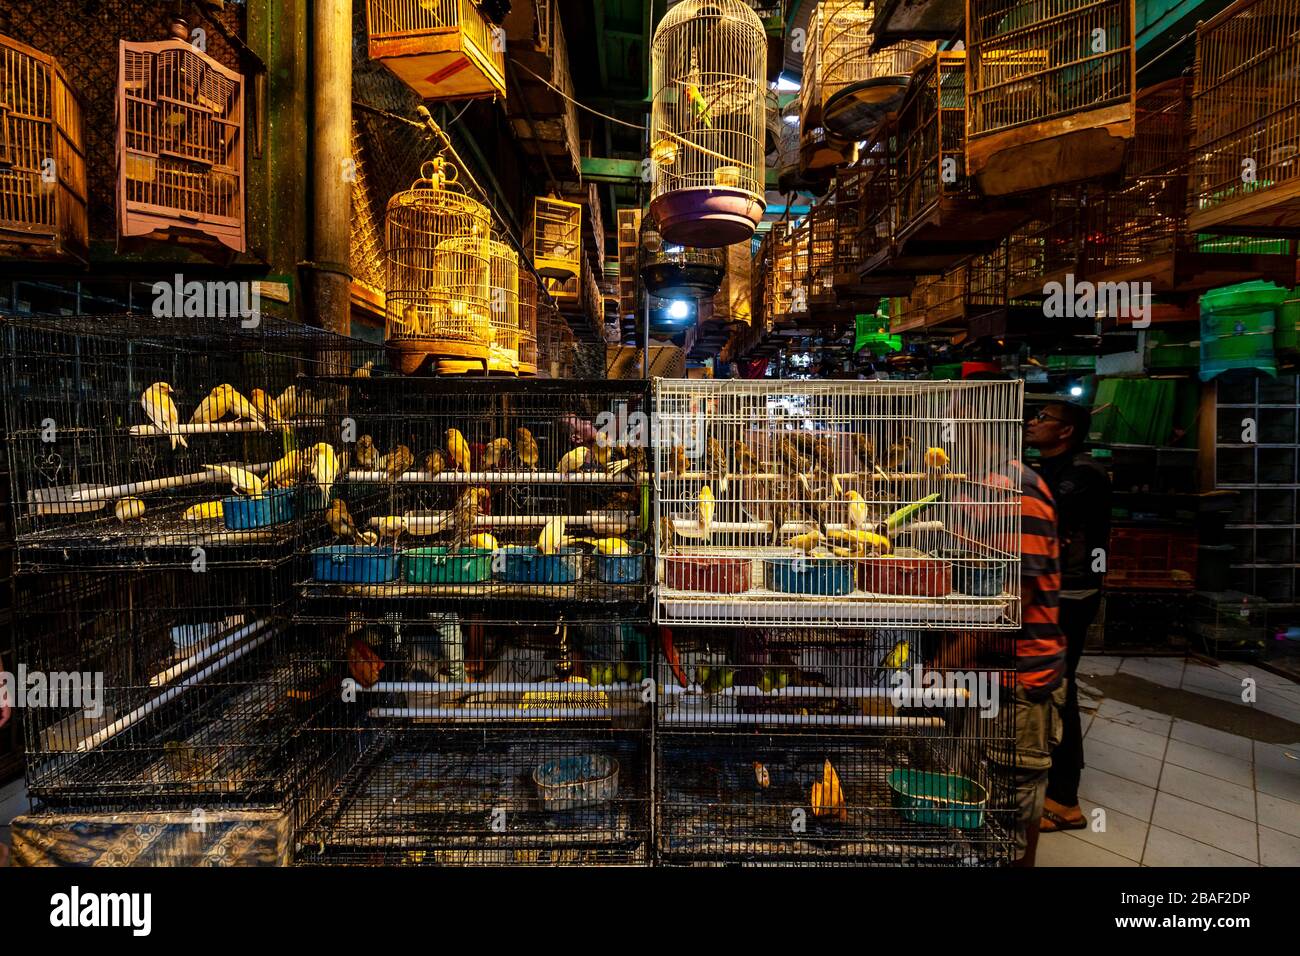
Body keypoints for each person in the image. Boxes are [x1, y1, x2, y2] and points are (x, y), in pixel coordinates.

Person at [1025, 401, 1111, 833]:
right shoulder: (1049, 468)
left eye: (1043, 419)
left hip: (1071, 592)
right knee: (1054, 683)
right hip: (1053, 588)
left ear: (1066, 431)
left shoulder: (1083, 473)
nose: (1032, 422)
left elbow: (1051, 526)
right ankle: (1048, 779)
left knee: (1060, 684)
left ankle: (1065, 800)